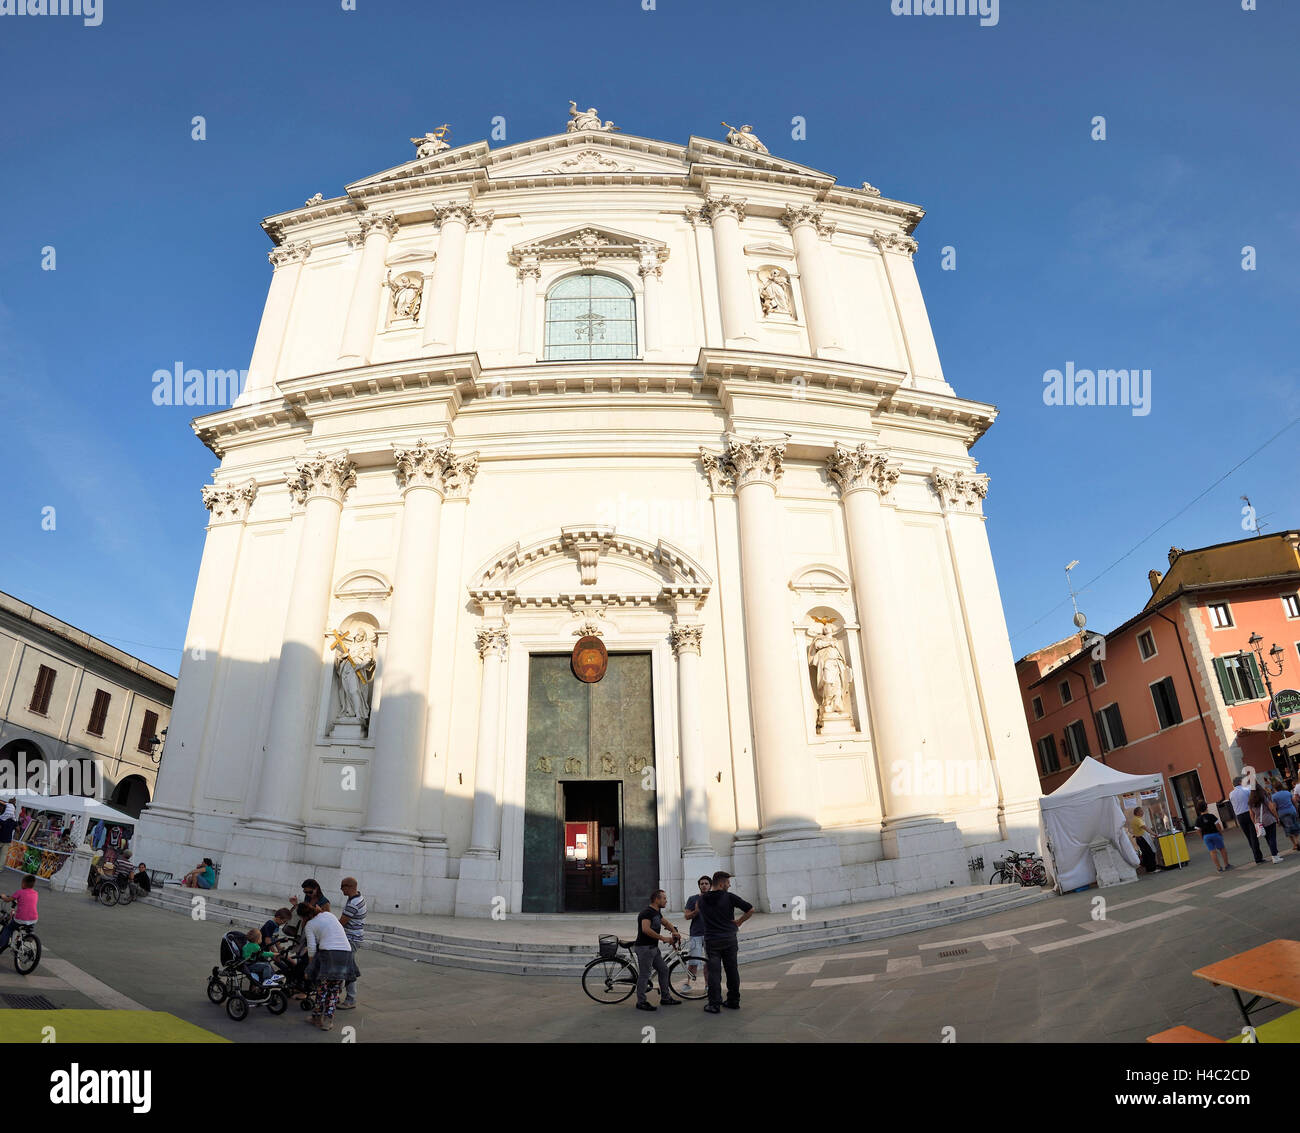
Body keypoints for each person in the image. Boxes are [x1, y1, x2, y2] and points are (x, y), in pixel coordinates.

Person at [697, 870, 753, 1015]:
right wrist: (739, 922)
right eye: (728, 882)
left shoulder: (701, 900)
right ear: (721, 883)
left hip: (712, 939)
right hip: (729, 938)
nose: (729, 885)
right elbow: (750, 909)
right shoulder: (729, 897)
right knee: (732, 970)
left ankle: (714, 1004)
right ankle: (733, 1001)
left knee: (714, 973)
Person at [297, 902, 358, 1031]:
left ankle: (317, 1017)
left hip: (329, 955)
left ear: (303, 917)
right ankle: (328, 1020)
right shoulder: (329, 915)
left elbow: (312, 949)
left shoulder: (310, 925)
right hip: (346, 954)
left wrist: (310, 967)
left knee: (322, 988)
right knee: (334, 990)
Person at [632, 889, 682, 1012]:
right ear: (656, 899)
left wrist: (674, 931)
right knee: (645, 974)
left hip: (653, 948)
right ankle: (641, 1002)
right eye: (664, 898)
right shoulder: (646, 913)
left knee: (664, 969)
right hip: (644, 948)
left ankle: (665, 998)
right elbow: (646, 929)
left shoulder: (656, 912)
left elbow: (665, 922)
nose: (666, 901)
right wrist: (663, 938)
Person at [338, 878, 366, 1010]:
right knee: (345, 967)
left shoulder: (353, 904)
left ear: (349, 887)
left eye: (342, 887)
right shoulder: (359, 898)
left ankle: (351, 999)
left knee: (348, 969)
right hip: (353, 938)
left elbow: (341, 923)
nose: (341, 889)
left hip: (351, 939)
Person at [682, 875, 711, 986]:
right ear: (699, 885)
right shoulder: (693, 899)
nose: (704, 886)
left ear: (710, 885)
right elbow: (687, 916)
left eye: (706, 883)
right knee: (693, 961)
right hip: (696, 934)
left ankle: (708, 985)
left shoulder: (714, 898)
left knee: (709, 962)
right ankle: (688, 983)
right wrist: (696, 911)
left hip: (710, 934)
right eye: (701, 884)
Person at [1229, 774, 1264, 865]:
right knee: (1253, 835)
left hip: (1239, 816)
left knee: (1249, 837)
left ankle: (1256, 855)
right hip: (1248, 813)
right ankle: (1258, 858)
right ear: (1241, 782)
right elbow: (1252, 800)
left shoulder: (1231, 794)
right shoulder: (1246, 790)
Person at [0, 874, 38, 956]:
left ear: (23, 883)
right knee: (28, 925)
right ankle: (30, 934)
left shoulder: (20, 892)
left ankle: (2, 944)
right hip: (33, 918)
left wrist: (3, 896)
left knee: (8, 928)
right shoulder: (35, 893)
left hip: (21, 919)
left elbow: (7, 900)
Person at [1193, 800, 1231, 872]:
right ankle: (1226, 865)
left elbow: (1197, 830)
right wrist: (1220, 833)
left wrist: (1202, 837)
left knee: (1212, 851)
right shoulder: (1211, 816)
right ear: (1206, 807)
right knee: (1222, 849)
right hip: (1215, 834)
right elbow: (1218, 826)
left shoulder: (1198, 819)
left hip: (1206, 837)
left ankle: (1219, 868)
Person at [1249, 783, 1284, 862]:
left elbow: (1251, 814)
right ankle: (1275, 856)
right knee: (1272, 838)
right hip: (1269, 819)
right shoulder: (1263, 798)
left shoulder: (1250, 801)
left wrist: (1255, 823)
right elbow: (1271, 808)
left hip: (1259, 822)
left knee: (1268, 839)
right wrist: (1277, 817)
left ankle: (1275, 853)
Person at [1272, 779, 1300, 852]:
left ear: (1275, 788)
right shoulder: (1288, 792)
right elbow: (1294, 802)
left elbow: (1274, 808)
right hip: (1291, 811)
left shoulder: (1274, 796)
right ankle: (1297, 841)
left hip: (1283, 814)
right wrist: (1296, 811)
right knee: (1295, 827)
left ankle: (1294, 844)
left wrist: (1277, 818)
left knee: (1288, 829)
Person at [1127, 806, 1158, 873]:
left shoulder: (1135, 819)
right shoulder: (1138, 820)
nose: (1142, 812)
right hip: (1142, 839)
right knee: (1150, 853)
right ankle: (1152, 869)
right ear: (1137, 812)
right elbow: (1145, 828)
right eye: (1141, 811)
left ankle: (1149, 868)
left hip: (1140, 839)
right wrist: (1154, 834)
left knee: (1145, 853)